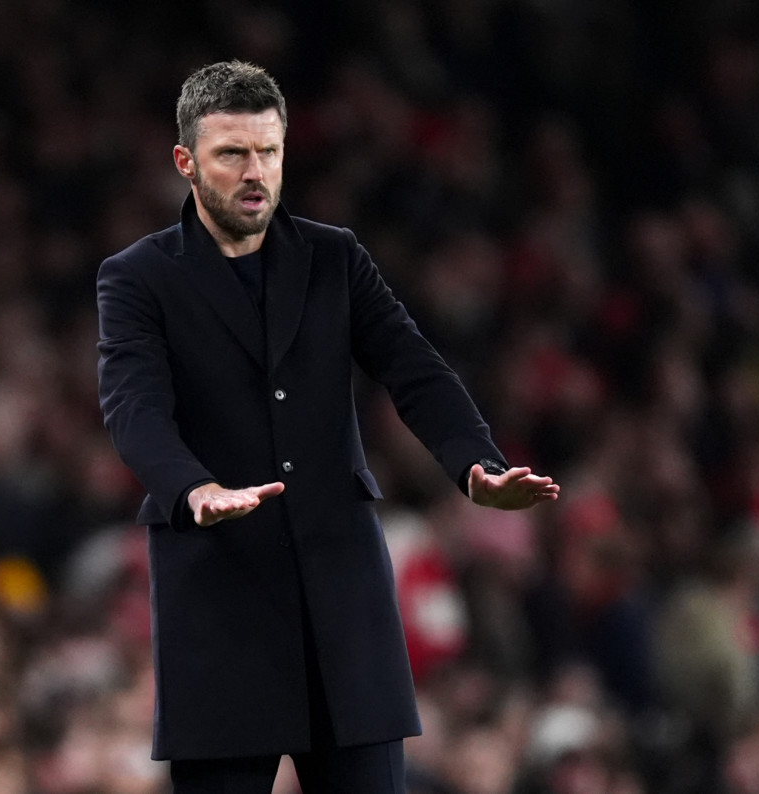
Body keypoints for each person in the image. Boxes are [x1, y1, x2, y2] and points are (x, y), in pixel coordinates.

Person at [96, 60, 558, 793]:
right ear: (185, 161)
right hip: (221, 609)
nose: (255, 172)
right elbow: (133, 407)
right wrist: (192, 489)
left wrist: (477, 466)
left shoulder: (334, 257)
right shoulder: (138, 277)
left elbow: (414, 369)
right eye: (232, 153)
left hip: (345, 612)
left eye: (269, 151)